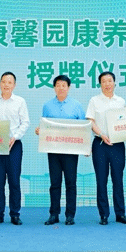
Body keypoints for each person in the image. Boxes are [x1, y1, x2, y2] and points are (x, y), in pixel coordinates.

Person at [37, 75, 86, 226]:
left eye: (64, 85)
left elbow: (83, 128)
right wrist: (40, 130)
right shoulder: (47, 106)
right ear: (54, 87)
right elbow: (45, 125)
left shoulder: (76, 105)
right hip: (53, 150)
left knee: (71, 183)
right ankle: (54, 214)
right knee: (55, 183)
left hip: (71, 151)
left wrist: (85, 146)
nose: (61, 88)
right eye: (58, 85)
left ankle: (70, 215)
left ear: (68, 87)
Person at [0, 71, 29, 225]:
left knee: (14, 181)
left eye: (9, 82)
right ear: (0, 83)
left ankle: (15, 214)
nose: (6, 85)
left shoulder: (20, 101)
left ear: (14, 85)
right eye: (4, 82)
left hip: (14, 145)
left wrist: (15, 137)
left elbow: (25, 122)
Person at [86, 71, 126, 225]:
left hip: (117, 144)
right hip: (100, 144)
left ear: (114, 83)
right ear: (100, 84)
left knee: (118, 179)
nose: (107, 84)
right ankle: (103, 214)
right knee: (101, 180)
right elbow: (90, 121)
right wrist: (101, 134)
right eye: (104, 81)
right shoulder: (94, 100)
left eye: (110, 81)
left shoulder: (121, 101)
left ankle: (120, 214)